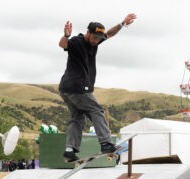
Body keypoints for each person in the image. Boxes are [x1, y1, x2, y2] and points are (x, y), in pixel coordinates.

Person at [58, 14, 137, 163]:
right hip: (77, 88)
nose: (95, 41)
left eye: (98, 38)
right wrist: (66, 35)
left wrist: (122, 23)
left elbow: (110, 34)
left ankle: (70, 150)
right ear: (87, 33)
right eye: (93, 37)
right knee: (96, 111)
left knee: (78, 118)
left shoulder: (96, 41)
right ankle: (106, 144)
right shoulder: (77, 41)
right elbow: (63, 44)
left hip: (66, 89)